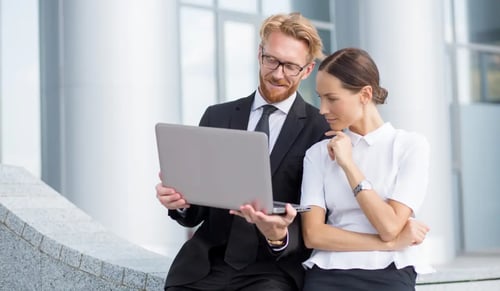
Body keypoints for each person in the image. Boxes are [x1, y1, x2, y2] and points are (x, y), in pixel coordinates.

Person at [156, 12, 330, 291]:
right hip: (206, 266)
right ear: (260, 53)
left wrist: (280, 236)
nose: (278, 73)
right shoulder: (217, 116)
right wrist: (181, 201)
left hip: (273, 270)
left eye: (290, 66)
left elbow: (322, 216)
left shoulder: (320, 128)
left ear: (307, 70)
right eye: (271, 60)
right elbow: (196, 211)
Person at [300, 47, 434, 291]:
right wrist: (389, 244)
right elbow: (313, 235)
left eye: (332, 98)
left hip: (390, 273)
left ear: (365, 94)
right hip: (328, 274)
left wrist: (349, 165)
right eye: (320, 98)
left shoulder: (410, 146)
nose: (322, 110)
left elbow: (390, 226)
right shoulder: (318, 154)